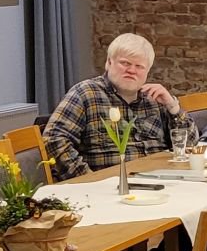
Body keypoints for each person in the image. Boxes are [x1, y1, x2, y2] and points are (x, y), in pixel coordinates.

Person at [43, 32, 188, 177]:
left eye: (139, 66)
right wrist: (89, 179)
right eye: (125, 63)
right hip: (109, 184)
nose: (131, 70)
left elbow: (190, 146)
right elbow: (54, 140)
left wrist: (173, 107)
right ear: (109, 62)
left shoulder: (155, 98)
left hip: (163, 180)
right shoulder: (85, 93)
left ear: (147, 71)